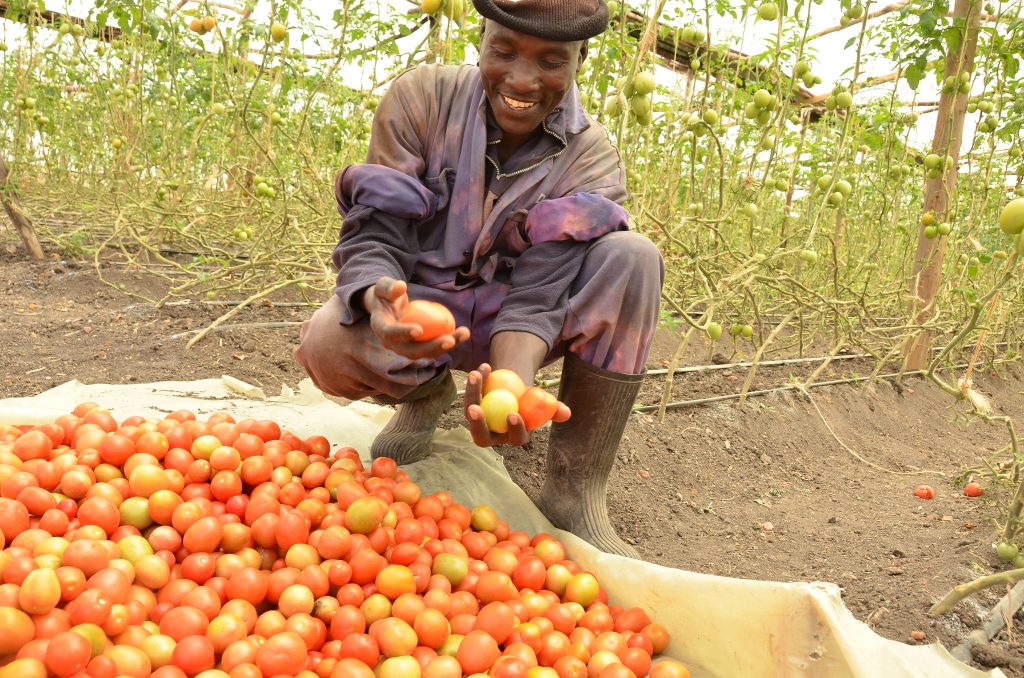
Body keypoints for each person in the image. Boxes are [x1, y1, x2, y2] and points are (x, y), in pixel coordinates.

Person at [295, 0, 664, 558]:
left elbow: (540, 294)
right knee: (327, 340)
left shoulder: (592, 160)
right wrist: (379, 299)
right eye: (504, 50)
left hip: (509, 324)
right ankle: (423, 392)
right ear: (481, 37)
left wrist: (509, 390)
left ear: (580, 60)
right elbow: (377, 232)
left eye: (550, 62)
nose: (522, 79)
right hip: (418, 313)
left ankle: (575, 492)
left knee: (633, 256)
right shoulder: (421, 100)